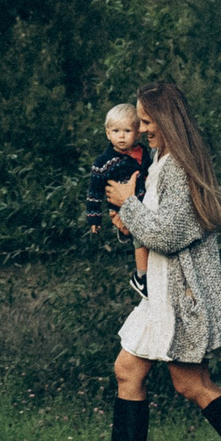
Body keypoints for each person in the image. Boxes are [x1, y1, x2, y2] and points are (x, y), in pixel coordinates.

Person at [79, 81, 221, 441]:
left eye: (147, 121)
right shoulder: (159, 162)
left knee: (192, 384)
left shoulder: (179, 168)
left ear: (167, 120)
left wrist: (127, 203)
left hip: (183, 298)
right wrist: (127, 222)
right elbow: (153, 227)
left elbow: (170, 234)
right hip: (159, 293)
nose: (141, 129)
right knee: (127, 370)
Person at [84, 102, 153, 297]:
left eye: (127, 131)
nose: (121, 136)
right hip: (121, 209)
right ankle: (141, 276)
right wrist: (94, 218)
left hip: (142, 204)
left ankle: (149, 274)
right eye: (116, 131)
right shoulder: (103, 162)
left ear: (137, 133)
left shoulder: (143, 153)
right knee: (141, 239)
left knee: (150, 239)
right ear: (108, 134)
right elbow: (94, 192)